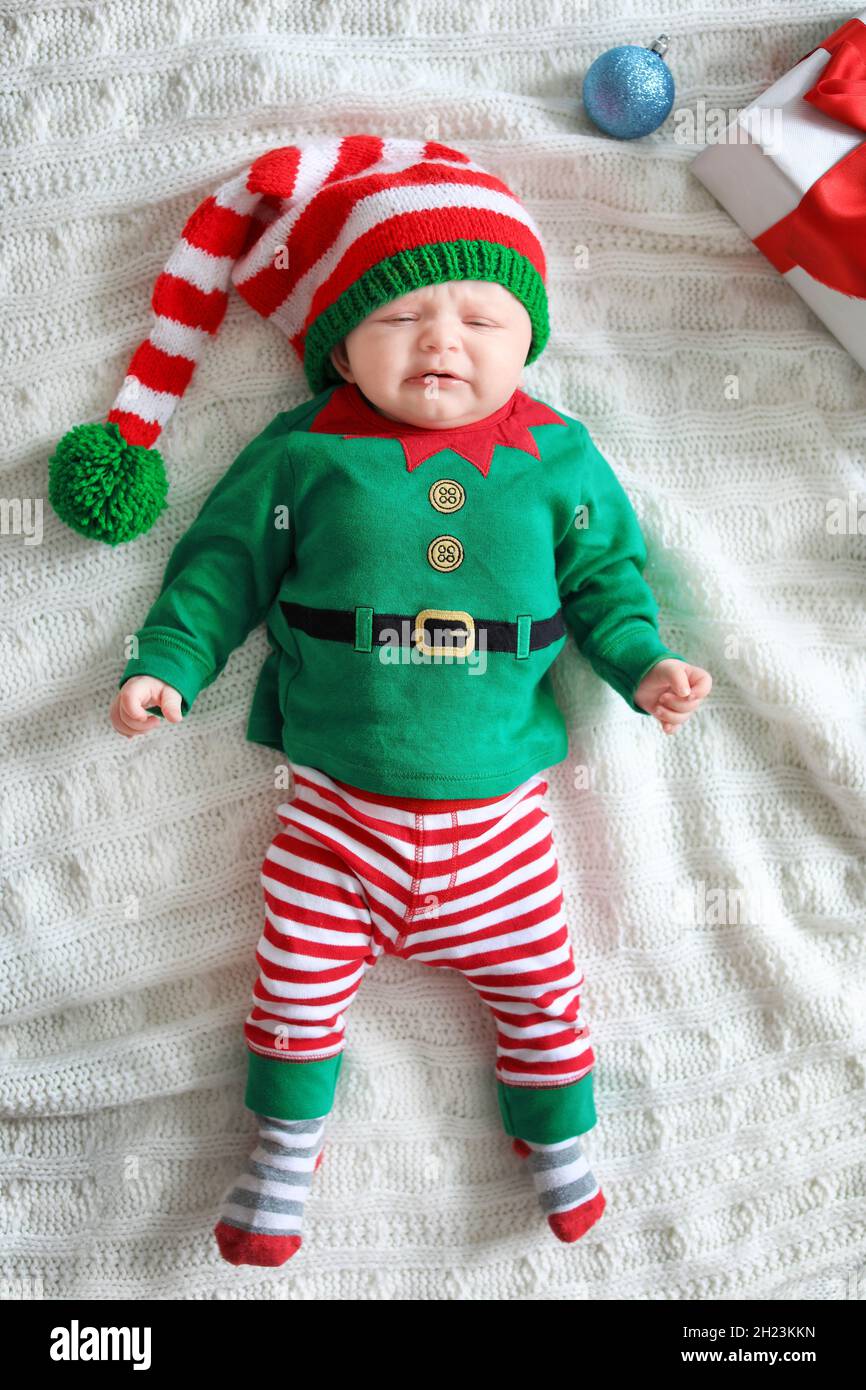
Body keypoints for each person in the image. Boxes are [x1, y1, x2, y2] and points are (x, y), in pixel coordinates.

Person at [49, 135, 712, 1266]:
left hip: (499, 826)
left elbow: (606, 577)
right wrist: (168, 660)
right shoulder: (303, 453)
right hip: (333, 825)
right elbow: (220, 565)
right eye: (402, 318)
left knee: (548, 997)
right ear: (340, 345)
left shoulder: (557, 456)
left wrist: (642, 664)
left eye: (481, 319)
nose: (443, 340)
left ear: (528, 343)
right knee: (292, 992)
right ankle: (281, 1157)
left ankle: (562, 1151)